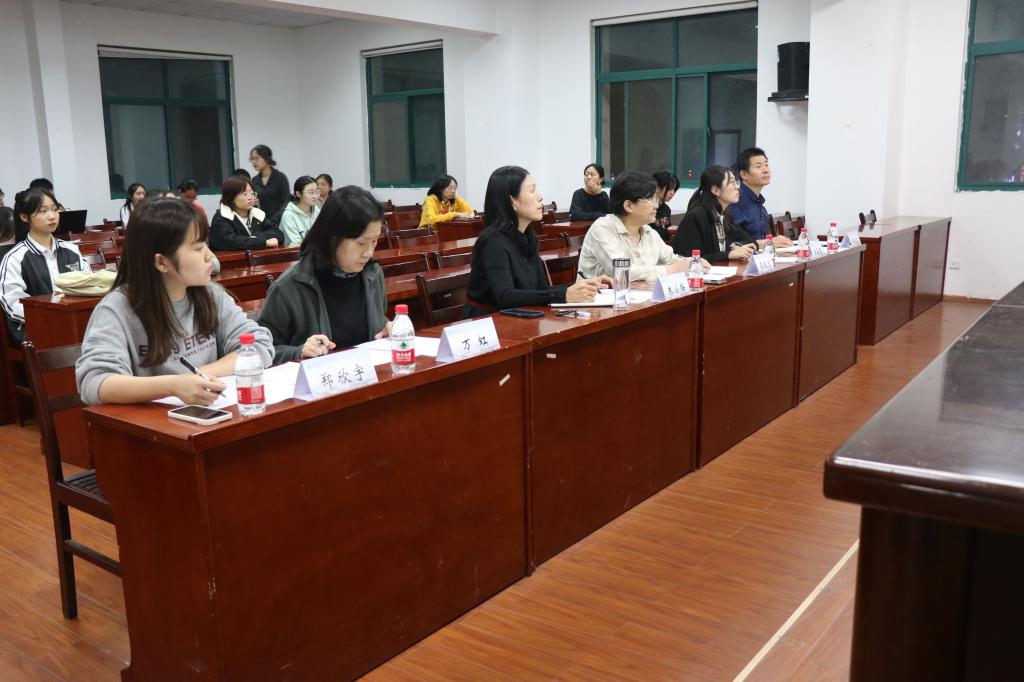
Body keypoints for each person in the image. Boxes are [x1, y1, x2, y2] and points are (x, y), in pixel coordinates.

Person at [75, 198, 273, 406]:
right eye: (198, 248)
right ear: (162, 262)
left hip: (210, 415)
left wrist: (198, 376)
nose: (210, 256)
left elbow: (259, 346)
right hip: (151, 422)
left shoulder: (211, 294)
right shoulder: (116, 309)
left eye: (206, 245)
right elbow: (95, 383)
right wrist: (173, 386)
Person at [258, 186, 390, 362]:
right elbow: (262, 351)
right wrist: (299, 352)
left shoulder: (373, 274)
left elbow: (378, 321)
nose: (369, 252)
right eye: (361, 243)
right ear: (332, 238)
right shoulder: (288, 287)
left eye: (374, 241)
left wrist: (387, 329)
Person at [464, 166, 610, 318]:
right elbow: (505, 297)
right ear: (512, 201)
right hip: (487, 322)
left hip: (519, 318)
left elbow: (540, 289)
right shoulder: (493, 242)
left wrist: (586, 285)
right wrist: (565, 294)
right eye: (532, 190)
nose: (540, 197)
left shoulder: (527, 237)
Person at [0, 188, 90, 344]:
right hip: (37, 330)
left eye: (55, 209)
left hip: (76, 324)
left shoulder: (72, 250)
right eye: (43, 211)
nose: (52, 216)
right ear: (24, 217)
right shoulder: (15, 258)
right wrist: (53, 318)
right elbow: (12, 303)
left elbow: (90, 286)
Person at [578, 171, 702, 282]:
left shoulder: (648, 231)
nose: (656, 205)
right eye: (651, 200)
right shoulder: (603, 229)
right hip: (600, 298)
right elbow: (624, 272)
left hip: (641, 296)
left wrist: (695, 263)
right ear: (629, 206)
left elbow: (671, 259)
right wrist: (671, 269)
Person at [673, 166, 756, 262]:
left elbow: (750, 242)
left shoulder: (725, 216)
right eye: (731, 182)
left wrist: (735, 246)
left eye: (736, 182)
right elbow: (687, 259)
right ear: (716, 190)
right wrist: (729, 254)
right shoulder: (696, 216)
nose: (737, 187)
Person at [732, 147, 792, 246]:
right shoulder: (736, 200)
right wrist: (768, 243)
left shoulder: (759, 203)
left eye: (766, 165)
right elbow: (731, 243)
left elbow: (763, 241)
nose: (766, 170)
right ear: (744, 174)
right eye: (758, 166)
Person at [209, 175, 283, 251]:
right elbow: (230, 241)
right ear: (231, 198)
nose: (250, 198)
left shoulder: (257, 215)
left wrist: (255, 237)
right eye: (245, 194)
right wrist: (264, 242)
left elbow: (278, 234)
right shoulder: (221, 218)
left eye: (252, 193)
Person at [248, 145, 289, 223]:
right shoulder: (254, 180)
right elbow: (254, 204)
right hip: (262, 222)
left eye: (257, 158)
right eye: (252, 159)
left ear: (267, 158)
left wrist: (274, 220)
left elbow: (286, 203)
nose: (253, 162)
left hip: (280, 222)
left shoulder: (280, 177)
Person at [278, 176, 321, 247]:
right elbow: (295, 245)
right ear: (298, 194)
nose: (315, 196)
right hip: (295, 253)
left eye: (316, 192)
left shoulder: (317, 211)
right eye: (311, 192)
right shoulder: (289, 215)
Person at [649, 171, 679, 242]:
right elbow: (645, 234)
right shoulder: (646, 208)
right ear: (657, 188)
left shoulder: (666, 209)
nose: (673, 193)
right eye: (669, 189)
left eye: (674, 189)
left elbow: (667, 229)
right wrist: (667, 231)